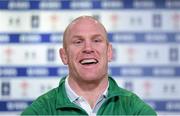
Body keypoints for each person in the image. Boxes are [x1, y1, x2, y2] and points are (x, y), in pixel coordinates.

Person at [21, 16, 156, 115]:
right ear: (64, 56)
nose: (88, 48)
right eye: (78, 42)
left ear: (109, 52)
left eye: (96, 40)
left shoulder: (136, 111)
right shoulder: (40, 112)